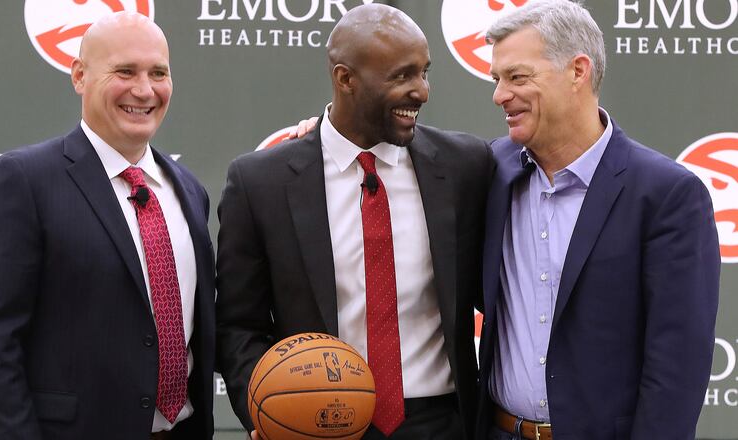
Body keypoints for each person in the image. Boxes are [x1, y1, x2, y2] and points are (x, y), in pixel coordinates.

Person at [215, 4, 493, 440]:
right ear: (345, 79)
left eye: (424, 72)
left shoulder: (467, 166)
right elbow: (239, 326)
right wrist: (269, 414)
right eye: (402, 76)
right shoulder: (259, 184)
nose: (421, 91)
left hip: (444, 424)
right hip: (320, 423)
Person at [0, 12, 216, 440]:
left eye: (158, 73)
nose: (144, 89)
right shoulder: (22, 181)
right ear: (79, 76)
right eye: (125, 71)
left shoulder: (189, 190)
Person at [476, 1, 720, 439]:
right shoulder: (490, 170)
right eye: (497, 79)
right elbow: (409, 158)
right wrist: (317, 135)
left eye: (517, 77)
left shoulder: (667, 196)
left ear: (577, 71)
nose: (499, 94)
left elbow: (677, 369)